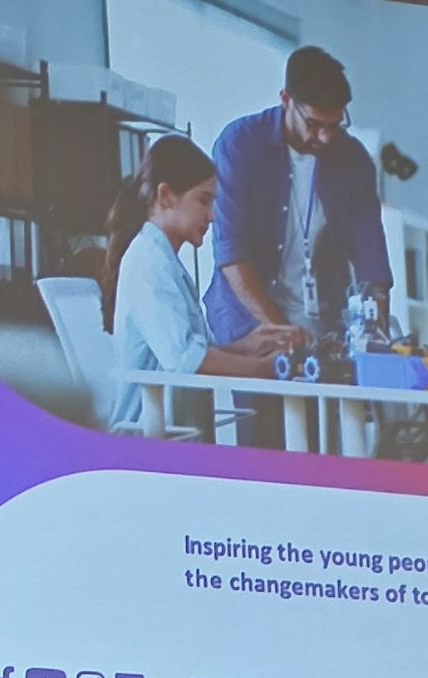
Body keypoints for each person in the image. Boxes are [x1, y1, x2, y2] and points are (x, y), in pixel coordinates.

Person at [103, 134, 310, 435]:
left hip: (173, 435)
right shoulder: (149, 263)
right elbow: (186, 360)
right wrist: (265, 370)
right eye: (203, 200)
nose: (212, 215)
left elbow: (194, 351)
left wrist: (250, 345)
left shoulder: (162, 259)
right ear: (166, 196)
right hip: (147, 443)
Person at [207, 47, 392, 350]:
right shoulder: (240, 145)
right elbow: (232, 256)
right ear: (286, 100)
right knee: (261, 397)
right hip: (248, 326)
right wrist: (284, 335)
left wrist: (375, 337)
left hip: (325, 327)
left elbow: (373, 262)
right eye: (314, 124)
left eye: (335, 125)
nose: (325, 137)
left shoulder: (353, 160)